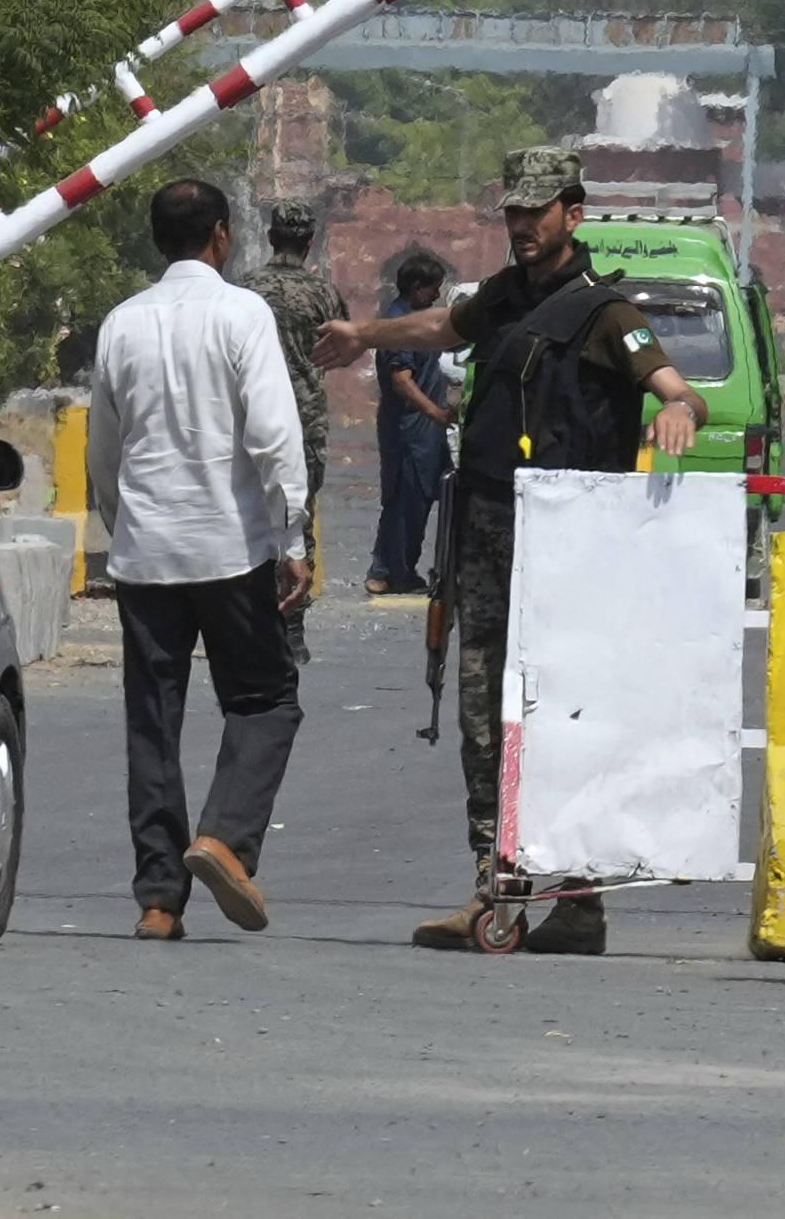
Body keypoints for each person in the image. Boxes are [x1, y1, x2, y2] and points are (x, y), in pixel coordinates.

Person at [316, 145, 709, 955]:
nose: (524, 226)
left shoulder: (604, 312)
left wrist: (682, 413)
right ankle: (499, 886)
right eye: (514, 213)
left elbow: (671, 382)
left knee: (566, 718)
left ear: (575, 212)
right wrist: (363, 334)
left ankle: (575, 898)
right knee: (483, 714)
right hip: (490, 532)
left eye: (538, 211)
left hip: (571, 547)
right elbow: (441, 323)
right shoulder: (504, 296)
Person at [87, 177, 312, 942]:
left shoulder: (121, 324)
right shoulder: (242, 313)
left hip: (146, 553)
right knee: (265, 700)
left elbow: (103, 450)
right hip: (230, 546)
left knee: (152, 721)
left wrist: (123, 529)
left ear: (157, 239)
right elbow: (275, 438)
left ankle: (158, 897)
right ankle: (224, 838)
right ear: (221, 235)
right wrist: (294, 538)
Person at [240, 199, 349, 662]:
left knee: (246, 513)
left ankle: (250, 625)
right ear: (309, 242)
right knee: (297, 514)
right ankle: (293, 630)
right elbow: (345, 344)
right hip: (303, 419)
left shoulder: (245, 290)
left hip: (246, 417)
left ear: (270, 237)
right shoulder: (323, 293)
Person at [368, 252, 454, 595]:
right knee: (404, 499)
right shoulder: (399, 324)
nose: (436, 295)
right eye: (432, 289)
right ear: (417, 287)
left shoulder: (416, 320)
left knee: (418, 499)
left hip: (424, 432)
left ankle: (399, 569)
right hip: (408, 429)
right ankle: (388, 570)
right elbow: (402, 381)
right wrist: (436, 413)